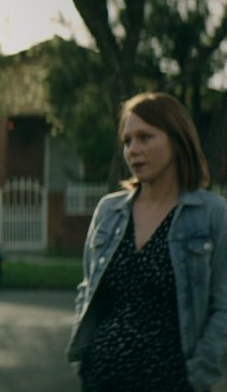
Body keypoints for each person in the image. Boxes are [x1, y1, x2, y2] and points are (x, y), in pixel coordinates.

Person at [68, 92, 227, 391]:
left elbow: (223, 309)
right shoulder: (109, 212)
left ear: (176, 141)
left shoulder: (212, 215)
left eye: (144, 137)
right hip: (100, 379)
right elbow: (87, 290)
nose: (133, 150)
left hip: (172, 383)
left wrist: (196, 377)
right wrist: (85, 359)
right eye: (127, 141)